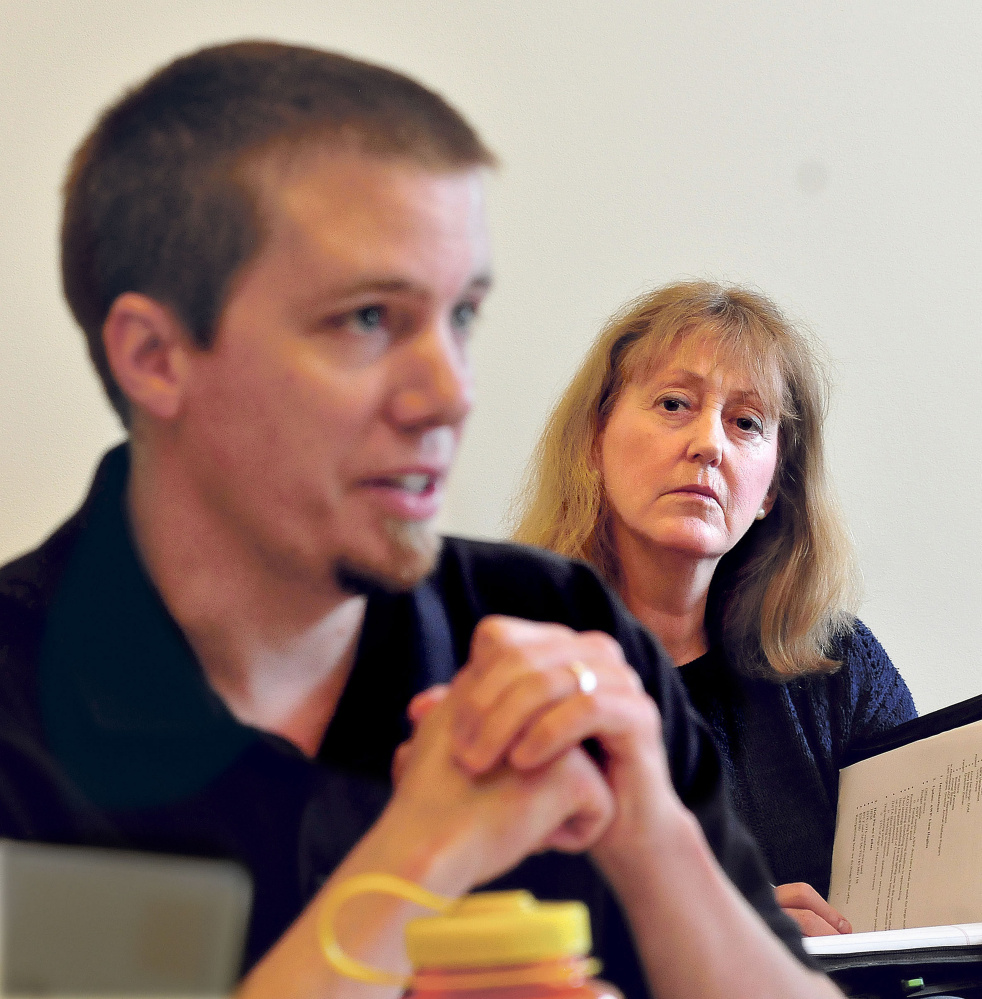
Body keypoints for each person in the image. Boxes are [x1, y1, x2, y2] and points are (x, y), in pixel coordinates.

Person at [0, 43, 843, 999]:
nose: (449, 394)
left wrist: (656, 845)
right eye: (367, 318)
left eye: (462, 317)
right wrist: (418, 858)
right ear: (155, 356)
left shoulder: (565, 628)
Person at [513, 280, 917, 937]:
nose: (709, 444)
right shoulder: (511, 661)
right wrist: (721, 923)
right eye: (674, 403)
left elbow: (915, 916)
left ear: (770, 489)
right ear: (594, 440)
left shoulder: (840, 665)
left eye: (746, 422)